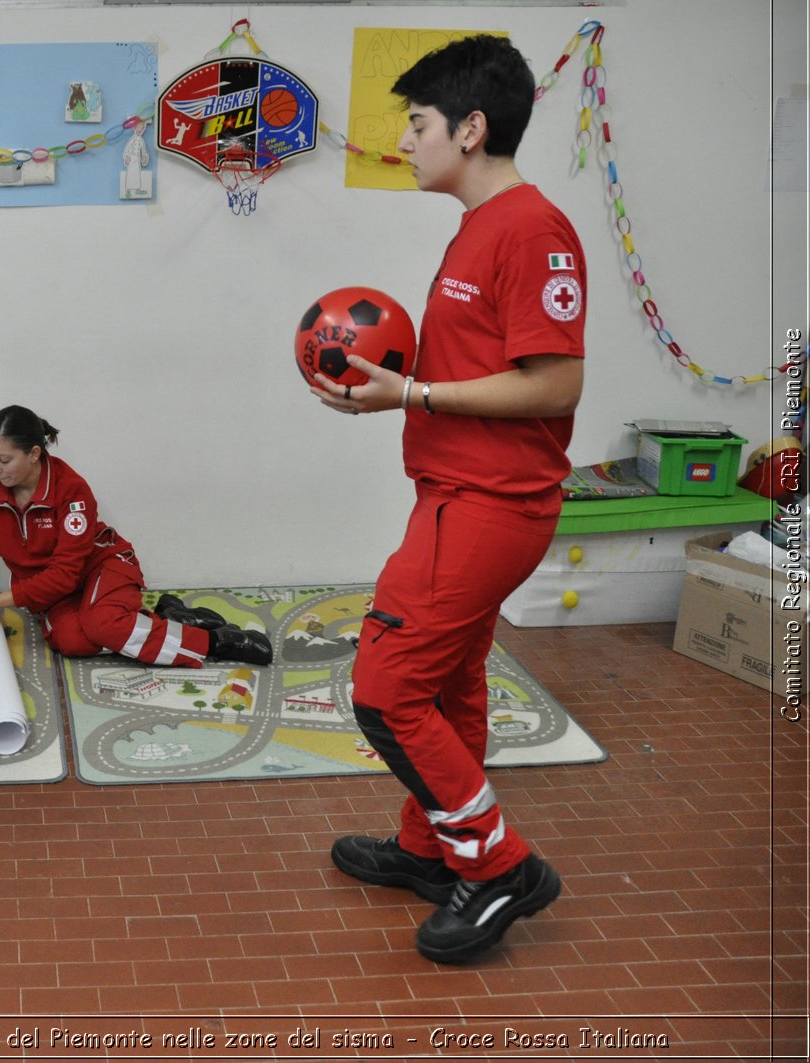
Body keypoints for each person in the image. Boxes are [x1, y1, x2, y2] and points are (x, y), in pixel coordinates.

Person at [307, 36, 584, 963]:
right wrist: (388, 387)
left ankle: (499, 865)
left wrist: (414, 394)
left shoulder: (533, 229)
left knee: (386, 690)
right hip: (454, 492)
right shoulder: (477, 226)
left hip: (490, 504)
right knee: (452, 680)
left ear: (471, 128)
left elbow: (555, 385)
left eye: (418, 124)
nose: (406, 141)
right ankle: (432, 849)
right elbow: (481, 368)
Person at [0, 405, 272, 669]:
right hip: (50, 590)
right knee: (72, 643)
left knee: (103, 625)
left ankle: (217, 641)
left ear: (34, 453)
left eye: (4, 460)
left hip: (101, 567)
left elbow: (65, 573)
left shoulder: (71, 489)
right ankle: (170, 617)